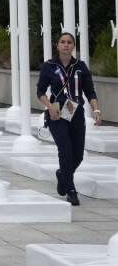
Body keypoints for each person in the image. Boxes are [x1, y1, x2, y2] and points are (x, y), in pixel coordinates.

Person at [37, 31, 102, 206]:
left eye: (69, 42)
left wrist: (96, 110)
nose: (66, 45)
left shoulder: (80, 67)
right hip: (57, 114)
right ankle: (71, 190)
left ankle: (62, 175)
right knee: (65, 150)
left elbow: (90, 92)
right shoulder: (49, 66)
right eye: (63, 42)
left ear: (73, 46)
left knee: (78, 155)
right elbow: (40, 92)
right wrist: (50, 107)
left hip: (77, 114)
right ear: (57, 45)